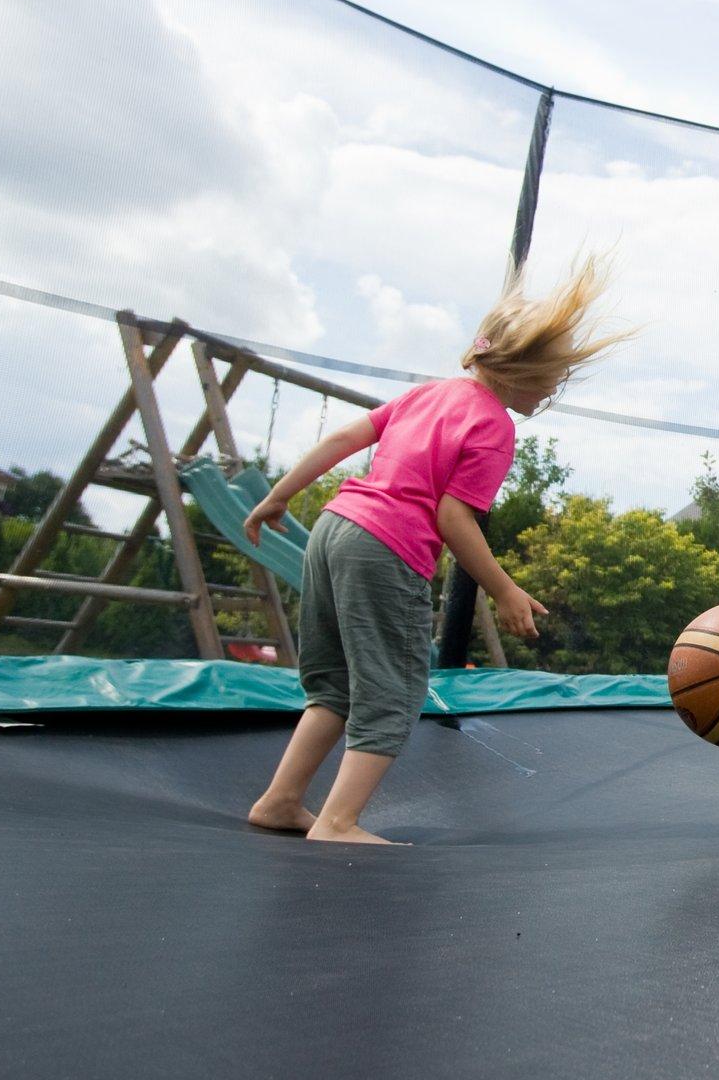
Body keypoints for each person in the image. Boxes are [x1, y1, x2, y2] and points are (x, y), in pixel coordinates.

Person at [244, 258, 629, 842]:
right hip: (384, 547)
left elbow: (346, 437)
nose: (556, 388)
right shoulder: (494, 426)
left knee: (335, 687)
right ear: (522, 370)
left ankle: (280, 800)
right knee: (393, 689)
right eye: (555, 376)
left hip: (333, 527)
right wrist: (504, 588)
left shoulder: (428, 395)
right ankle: (339, 822)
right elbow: (453, 517)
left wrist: (278, 496)